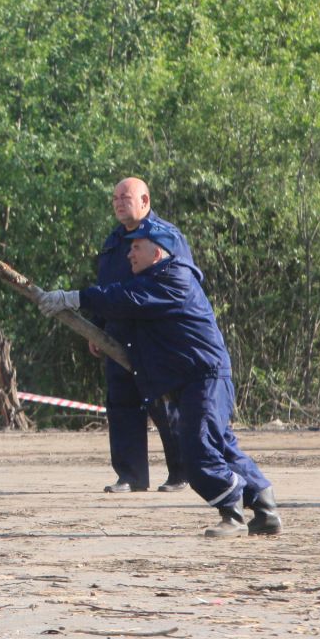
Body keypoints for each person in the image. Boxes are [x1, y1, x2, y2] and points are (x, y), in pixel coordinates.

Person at [41, 221, 280, 537]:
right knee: (221, 445)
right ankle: (265, 509)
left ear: (158, 252)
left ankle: (232, 514)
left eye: (136, 247)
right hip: (193, 378)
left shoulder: (171, 278)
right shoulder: (153, 280)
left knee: (198, 449)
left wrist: (73, 298)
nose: (129, 254)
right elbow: (129, 308)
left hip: (203, 376)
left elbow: (124, 299)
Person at [93, 178, 190, 494]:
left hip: (154, 337)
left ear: (145, 200)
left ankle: (181, 474)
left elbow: (180, 287)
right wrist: (96, 328)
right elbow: (104, 287)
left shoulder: (164, 236)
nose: (119, 202)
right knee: (121, 404)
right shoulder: (113, 240)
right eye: (115, 197)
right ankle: (130, 476)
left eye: (126, 196)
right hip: (118, 336)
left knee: (164, 406)